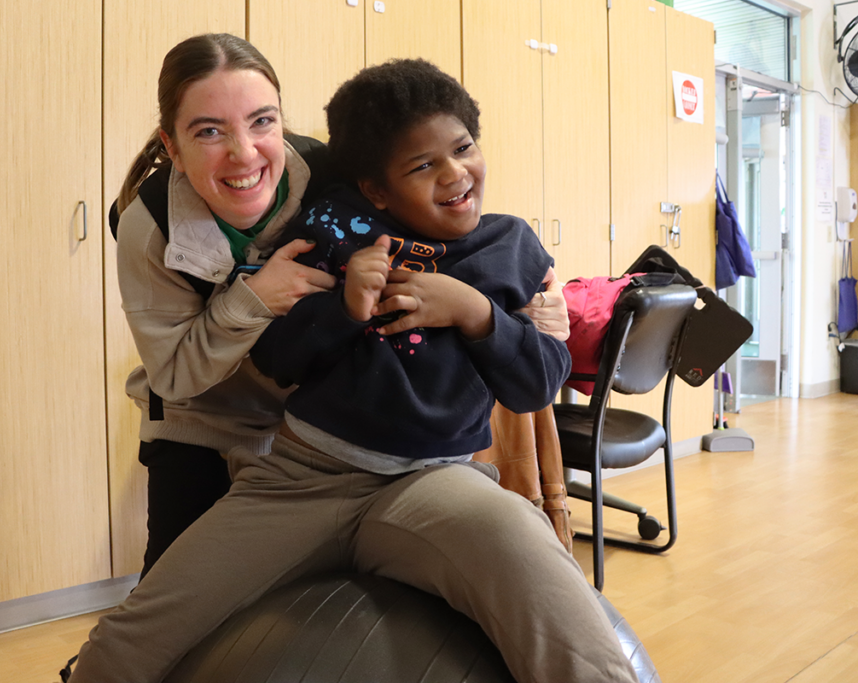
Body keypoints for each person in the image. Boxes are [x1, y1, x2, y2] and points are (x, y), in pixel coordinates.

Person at [67, 58, 637, 683]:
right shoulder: (339, 227)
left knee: (540, 576)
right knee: (135, 635)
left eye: (463, 149)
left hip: (436, 483)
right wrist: (342, 307)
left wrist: (475, 312)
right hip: (301, 477)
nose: (453, 174)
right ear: (376, 187)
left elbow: (535, 383)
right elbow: (279, 357)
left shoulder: (512, 248)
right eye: (422, 165)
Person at [111, 33, 338, 579]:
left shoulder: (330, 176)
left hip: (312, 417)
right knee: (172, 592)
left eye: (263, 121)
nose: (244, 152)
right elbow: (175, 374)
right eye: (210, 131)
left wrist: (514, 289)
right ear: (173, 147)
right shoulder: (148, 228)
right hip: (200, 420)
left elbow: (427, 223)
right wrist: (255, 298)